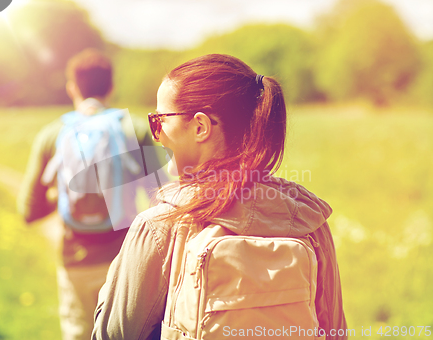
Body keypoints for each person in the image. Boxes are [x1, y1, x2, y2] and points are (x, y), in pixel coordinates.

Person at [92, 54, 347, 340]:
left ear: (200, 127)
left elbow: (111, 335)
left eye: (159, 120)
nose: (158, 136)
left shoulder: (160, 225)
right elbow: (335, 331)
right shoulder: (308, 219)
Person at [17, 48, 162, 340]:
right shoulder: (134, 129)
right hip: (127, 261)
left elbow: (28, 210)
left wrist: (63, 195)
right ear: (112, 87)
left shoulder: (52, 133)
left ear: (72, 87)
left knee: (79, 332)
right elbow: (162, 201)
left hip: (75, 261)